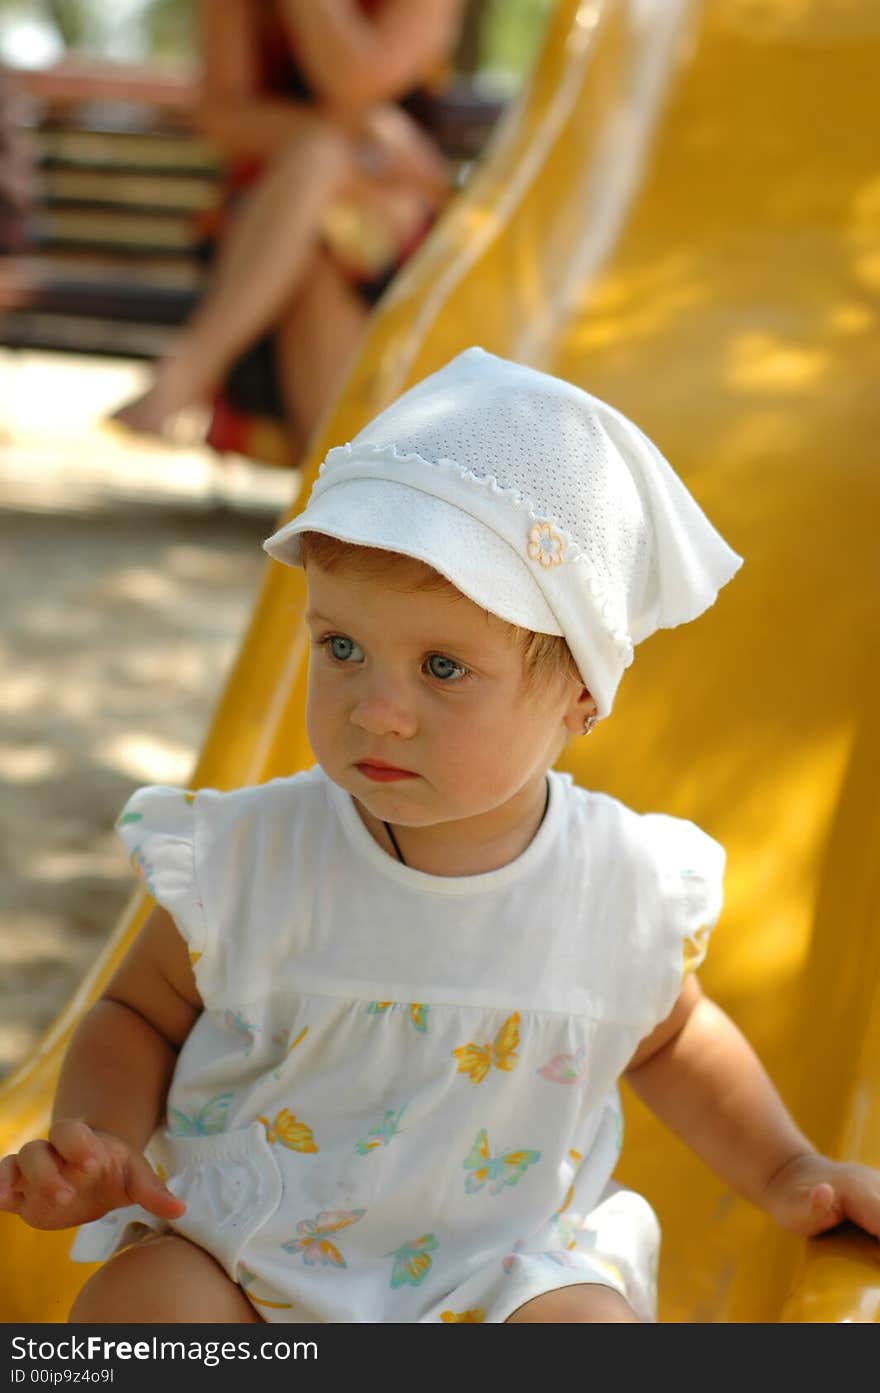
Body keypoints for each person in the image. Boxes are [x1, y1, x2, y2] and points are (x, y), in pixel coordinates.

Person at [3, 346, 879, 1324]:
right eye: (341, 646)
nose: (377, 710)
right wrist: (102, 1137)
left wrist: (788, 1165)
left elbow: (673, 1038)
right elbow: (138, 1014)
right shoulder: (250, 860)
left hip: (504, 1271)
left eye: (443, 668)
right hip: (244, 1250)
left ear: (580, 698)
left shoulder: (619, 885)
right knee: (138, 1313)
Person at [110, 0, 465, 464]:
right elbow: (222, 120)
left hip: (392, 227)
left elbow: (355, 83)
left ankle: (186, 372)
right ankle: (338, 490)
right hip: (267, 227)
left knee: (323, 181)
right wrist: (349, 131)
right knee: (319, 177)